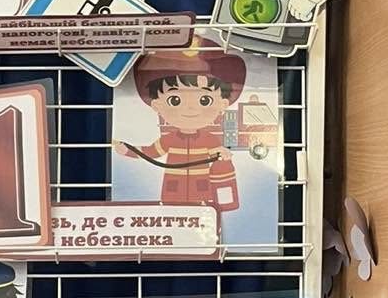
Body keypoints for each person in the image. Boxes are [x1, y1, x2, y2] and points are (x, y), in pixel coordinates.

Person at [112, 44, 272, 214]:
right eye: (175, 100)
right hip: (172, 194)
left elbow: (220, 159)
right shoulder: (169, 140)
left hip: (201, 194)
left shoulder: (210, 140)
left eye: (205, 100)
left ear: (222, 105)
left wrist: (224, 158)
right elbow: (150, 152)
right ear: (157, 105)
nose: (190, 109)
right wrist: (127, 150)